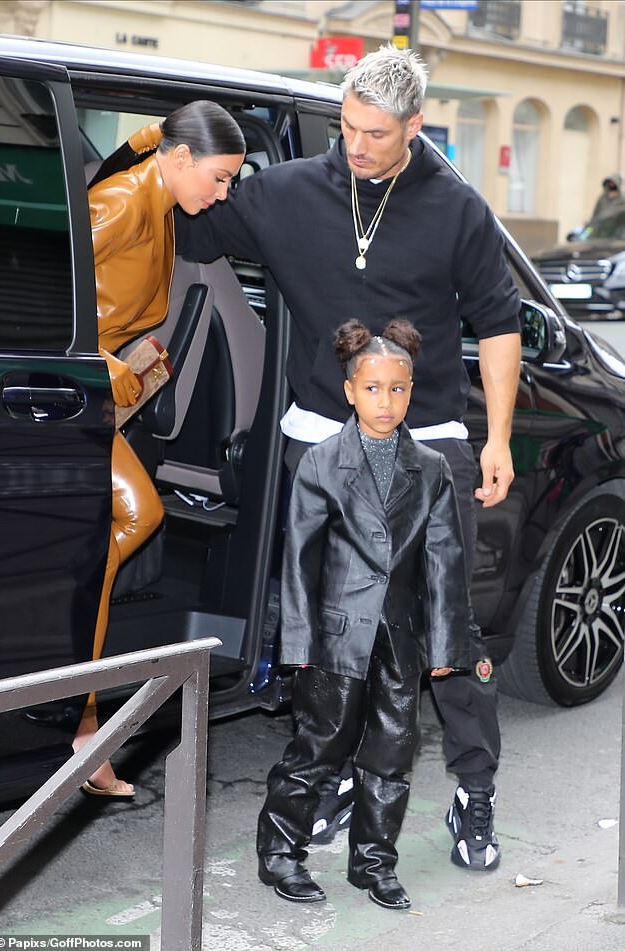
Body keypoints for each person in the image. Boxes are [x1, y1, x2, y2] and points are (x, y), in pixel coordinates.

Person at [176, 44, 521, 870]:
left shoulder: (457, 208)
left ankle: (474, 791)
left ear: (415, 126)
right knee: (330, 629)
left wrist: (499, 437)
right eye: (348, 127)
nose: (357, 146)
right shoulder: (285, 191)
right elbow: (188, 220)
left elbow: (499, 324)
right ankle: (330, 775)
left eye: (376, 133)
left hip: (428, 446)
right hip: (320, 446)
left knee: (446, 631)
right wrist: (155, 164)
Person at [257, 319, 472, 908]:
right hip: (335, 636)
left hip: (399, 636)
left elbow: (444, 563)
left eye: (397, 389)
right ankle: (280, 854)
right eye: (372, 388)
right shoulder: (321, 463)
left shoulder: (430, 467)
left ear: (412, 390)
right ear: (350, 390)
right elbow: (299, 563)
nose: (385, 401)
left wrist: (447, 646)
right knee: (318, 747)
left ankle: (374, 864)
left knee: (392, 752)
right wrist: (297, 644)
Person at [73, 101, 245, 797]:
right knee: (130, 519)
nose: (223, 193)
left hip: (91, 396)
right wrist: (99, 361)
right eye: (220, 177)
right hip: (67, 392)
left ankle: (78, 714)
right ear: (178, 159)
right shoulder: (119, 204)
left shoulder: (164, 204)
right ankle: (80, 717)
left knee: (119, 531)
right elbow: (39, 296)